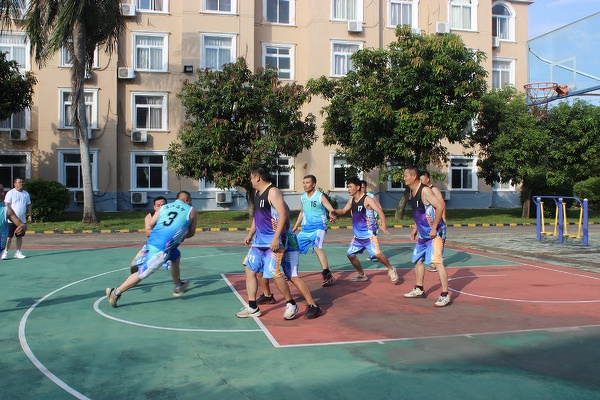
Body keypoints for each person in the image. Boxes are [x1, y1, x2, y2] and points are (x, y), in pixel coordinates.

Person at [236, 164, 321, 320]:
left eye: (251, 177)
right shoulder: (257, 193)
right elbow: (257, 217)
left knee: (289, 275)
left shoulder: (273, 192)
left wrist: (276, 237)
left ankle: (309, 305)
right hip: (260, 242)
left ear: (257, 177)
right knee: (251, 269)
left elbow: (284, 217)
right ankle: (255, 305)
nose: (250, 180)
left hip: (281, 241)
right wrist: (250, 233)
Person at [105, 191, 197, 307]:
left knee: (175, 257)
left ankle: (177, 285)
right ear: (187, 200)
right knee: (143, 273)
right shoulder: (190, 210)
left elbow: (151, 223)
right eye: (190, 200)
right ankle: (115, 292)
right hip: (162, 247)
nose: (191, 202)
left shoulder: (164, 207)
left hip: (154, 241)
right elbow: (191, 233)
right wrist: (183, 236)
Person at [329, 177, 398, 283]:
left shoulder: (367, 199)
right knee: (350, 255)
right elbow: (343, 211)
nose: (348, 189)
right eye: (347, 187)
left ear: (357, 187)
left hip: (369, 235)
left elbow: (380, 211)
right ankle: (361, 274)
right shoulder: (351, 200)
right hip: (358, 236)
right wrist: (334, 211)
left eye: (350, 187)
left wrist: (383, 225)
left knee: (377, 255)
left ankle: (391, 269)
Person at [403, 166, 450, 307]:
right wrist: (415, 229)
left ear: (414, 177)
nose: (404, 178)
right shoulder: (412, 191)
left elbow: (440, 206)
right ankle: (419, 289)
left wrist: (434, 228)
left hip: (435, 233)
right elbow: (420, 213)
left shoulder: (425, 191)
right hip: (424, 235)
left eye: (406, 176)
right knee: (418, 260)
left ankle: (445, 295)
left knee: (437, 262)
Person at [290, 174, 336, 287]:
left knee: (317, 247)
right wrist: (295, 227)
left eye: (307, 183)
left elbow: (331, 209)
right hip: (305, 229)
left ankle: (327, 275)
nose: (305, 185)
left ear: (313, 184)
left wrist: (332, 215)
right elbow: (302, 212)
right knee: (293, 248)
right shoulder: (303, 197)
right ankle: (292, 273)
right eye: (304, 183)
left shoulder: (320, 196)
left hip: (319, 227)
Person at [129, 196, 168, 274]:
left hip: (166, 244)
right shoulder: (150, 216)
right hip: (152, 243)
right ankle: (133, 277)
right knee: (134, 265)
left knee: (172, 262)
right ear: (154, 207)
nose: (161, 207)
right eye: (158, 205)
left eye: (163, 205)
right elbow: (148, 232)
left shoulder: (171, 216)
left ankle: (177, 280)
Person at [418, 171, 447, 272]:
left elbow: (442, 204)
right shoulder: (423, 191)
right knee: (433, 241)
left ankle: (436, 263)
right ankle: (435, 261)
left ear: (427, 179)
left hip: (438, 221)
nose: (420, 182)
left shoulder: (434, 189)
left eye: (422, 180)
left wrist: (443, 218)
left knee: (439, 240)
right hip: (429, 221)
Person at [2, 178, 32, 260]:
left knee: (19, 236)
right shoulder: (10, 193)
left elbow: (29, 205)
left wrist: (30, 215)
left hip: (21, 220)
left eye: (22, 182)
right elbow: (6, 205)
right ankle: (5, 253)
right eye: (19, 182)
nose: (21, 183)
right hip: (11, 220)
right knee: (9, 237)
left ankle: (17, 252)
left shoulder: (26, 194)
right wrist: (5, 216)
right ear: (15, 184)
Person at [360, 180, 382, 262]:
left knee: (373, 237)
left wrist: (379, 218)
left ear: (366, 187)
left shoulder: (371, 196)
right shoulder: (358, 197)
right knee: (366, 239)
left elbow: (379, 207)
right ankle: (373, 254)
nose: (362, 189)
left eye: (363, 187)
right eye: (360, 187)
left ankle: (377, 255)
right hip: (363, 222)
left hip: (372, 221)